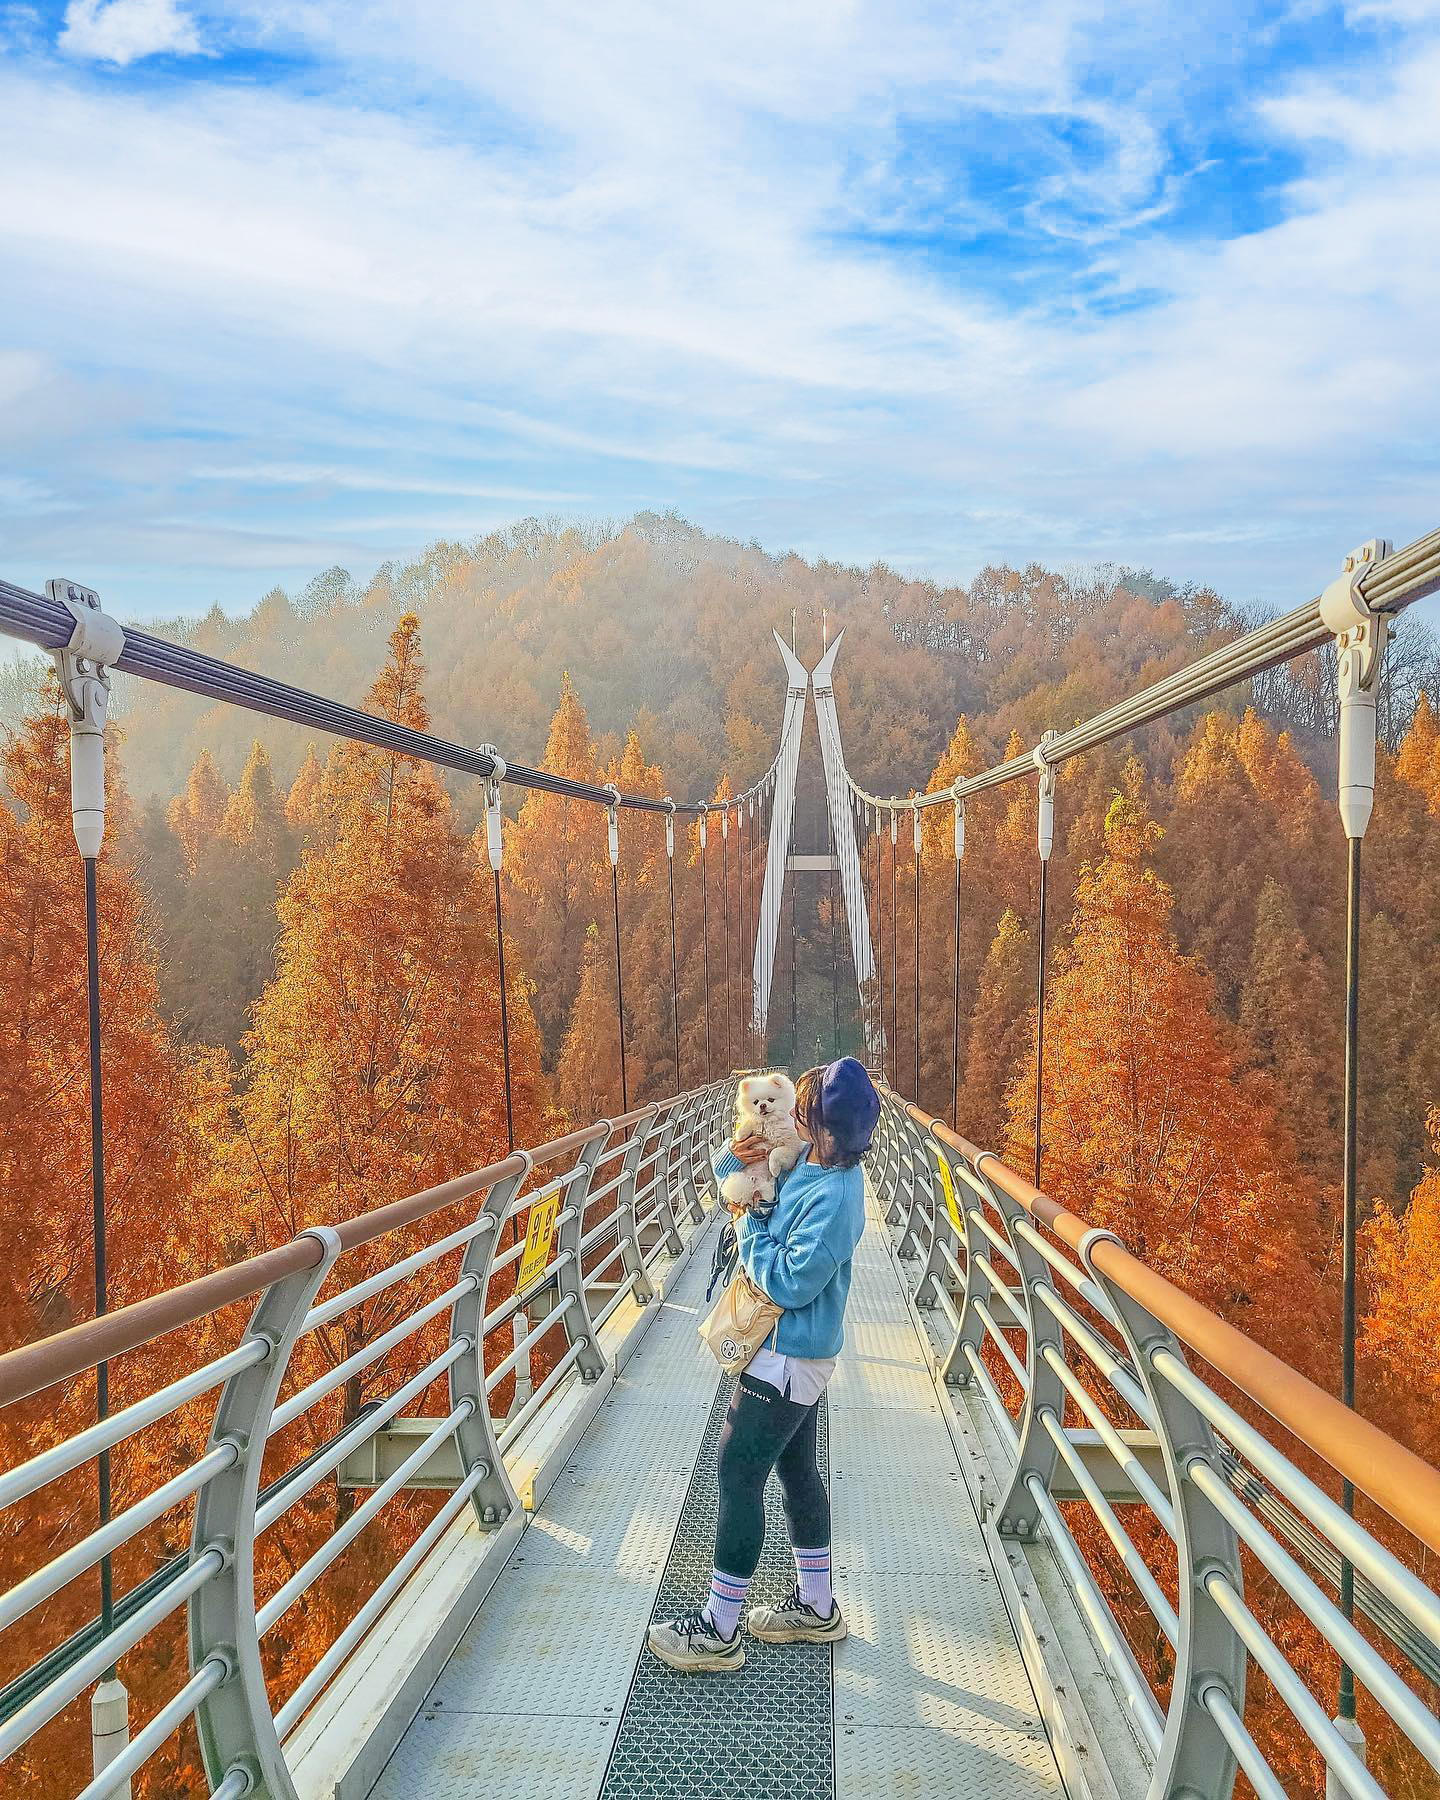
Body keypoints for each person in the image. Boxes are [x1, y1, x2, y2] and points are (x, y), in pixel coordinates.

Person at [647, 1056, 880, 1673]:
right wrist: (738, 1155)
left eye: (808, 1117)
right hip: (792, 1353)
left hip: (788, 1354)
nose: (797, 1123)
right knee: (797, 1468)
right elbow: (749, 1173)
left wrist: (751, 1222)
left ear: (830, 1134)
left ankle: (720, 1629)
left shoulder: (837, 1200)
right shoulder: (816, 1158)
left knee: (736, 1471)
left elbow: (786, 1281)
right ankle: (816, 1604)